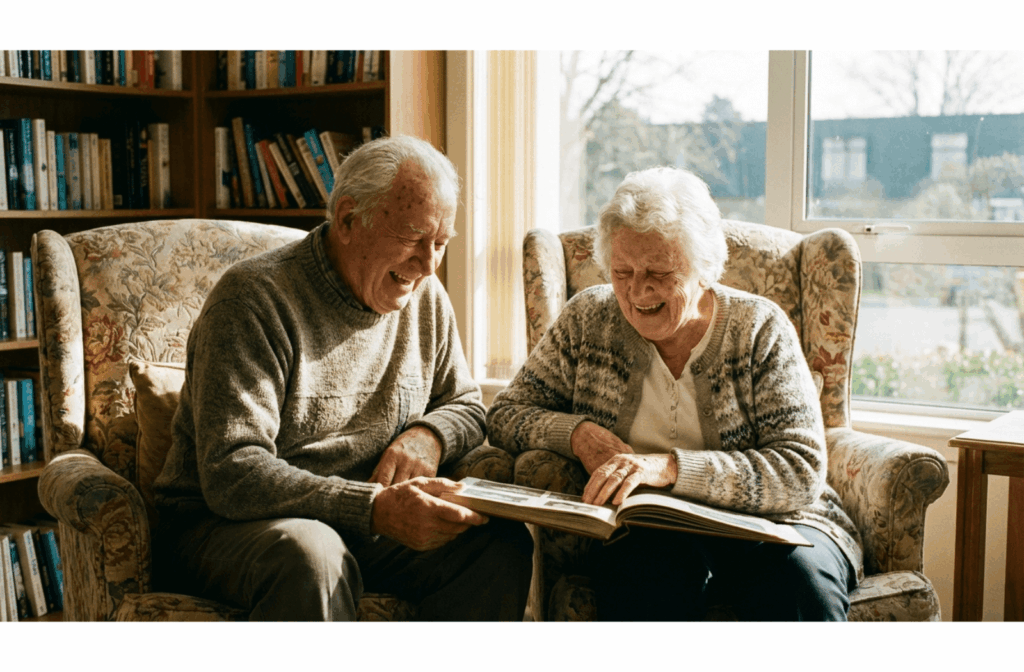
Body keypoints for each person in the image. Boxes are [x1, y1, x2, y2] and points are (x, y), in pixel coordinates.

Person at [153, 135, 532, 621]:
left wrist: (427, 436)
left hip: (356, 522)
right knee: (311, 554)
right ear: (350, 220)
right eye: (414, 237)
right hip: (224, 525)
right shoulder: (253, 300)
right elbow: (233, 472)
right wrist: (372, 508)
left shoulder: (425, 298)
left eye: (440, 243)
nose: (428, 264)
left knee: (496, 545)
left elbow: (465, 404)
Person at [487, 166, 862, 621]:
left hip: (777, 526)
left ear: (703, 269)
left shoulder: (759, 328)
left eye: (658, 272)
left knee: (797, 582)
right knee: (645, 574)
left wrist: (669, 468)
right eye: (622, 271)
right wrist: (576, 433)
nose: (637, 290)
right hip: (651, 531)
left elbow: (800, 470)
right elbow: (506, 414)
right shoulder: (589, 317)